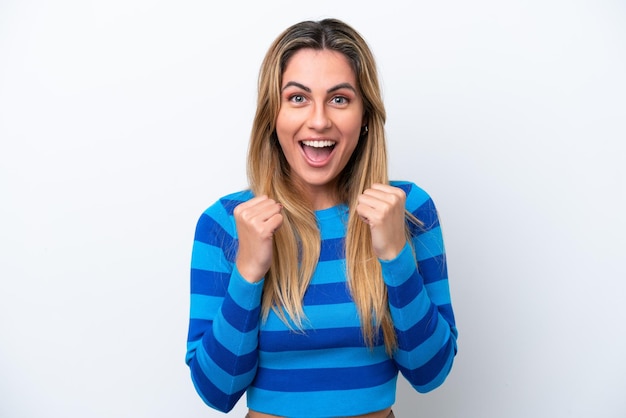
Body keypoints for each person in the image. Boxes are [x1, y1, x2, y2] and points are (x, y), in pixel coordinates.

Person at [185, 18, 458, 418]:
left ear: (365, 115)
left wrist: (396, 254)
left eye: (339, 99)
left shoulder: (408, 209)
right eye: (297, 98)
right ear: (272, 115)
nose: (318, 121)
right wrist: (247, 272)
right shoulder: (226, 223)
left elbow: (429, 372)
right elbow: (217, 391)